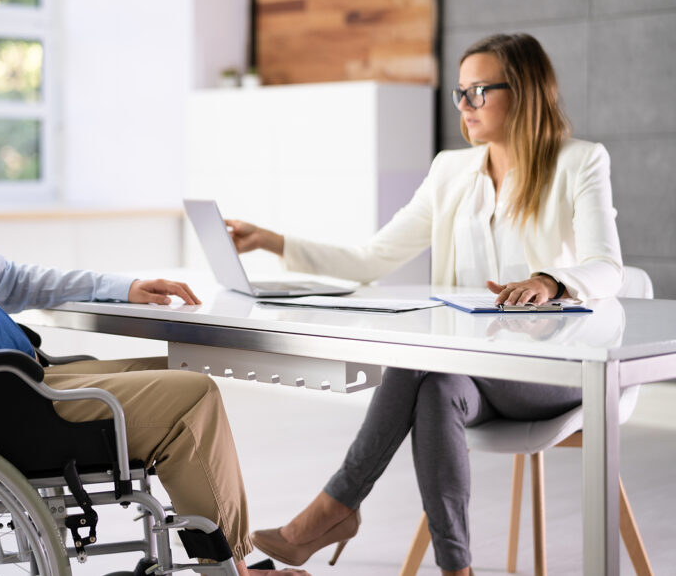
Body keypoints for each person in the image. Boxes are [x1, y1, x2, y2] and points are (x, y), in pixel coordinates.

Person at [0, 34, 304, 576]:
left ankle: (232, 561)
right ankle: (231, 570)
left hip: (1, 384)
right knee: (192, 397)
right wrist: (37, 363)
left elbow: (7, 278)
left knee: (179, 374)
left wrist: (120, 286)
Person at [226, 33, 623, 575]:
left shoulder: (579, 162)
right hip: (469, 369)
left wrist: (550, 280)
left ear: (526, 92)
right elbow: (372, 258)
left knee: (424, 359)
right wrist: (272, 241)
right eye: (460, 92)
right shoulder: (450, 171)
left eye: (479, 91)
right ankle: (455, 570)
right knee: (437, 386)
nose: (464, 105)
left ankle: (333, 509)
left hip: (553, 371)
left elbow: (608, 268)